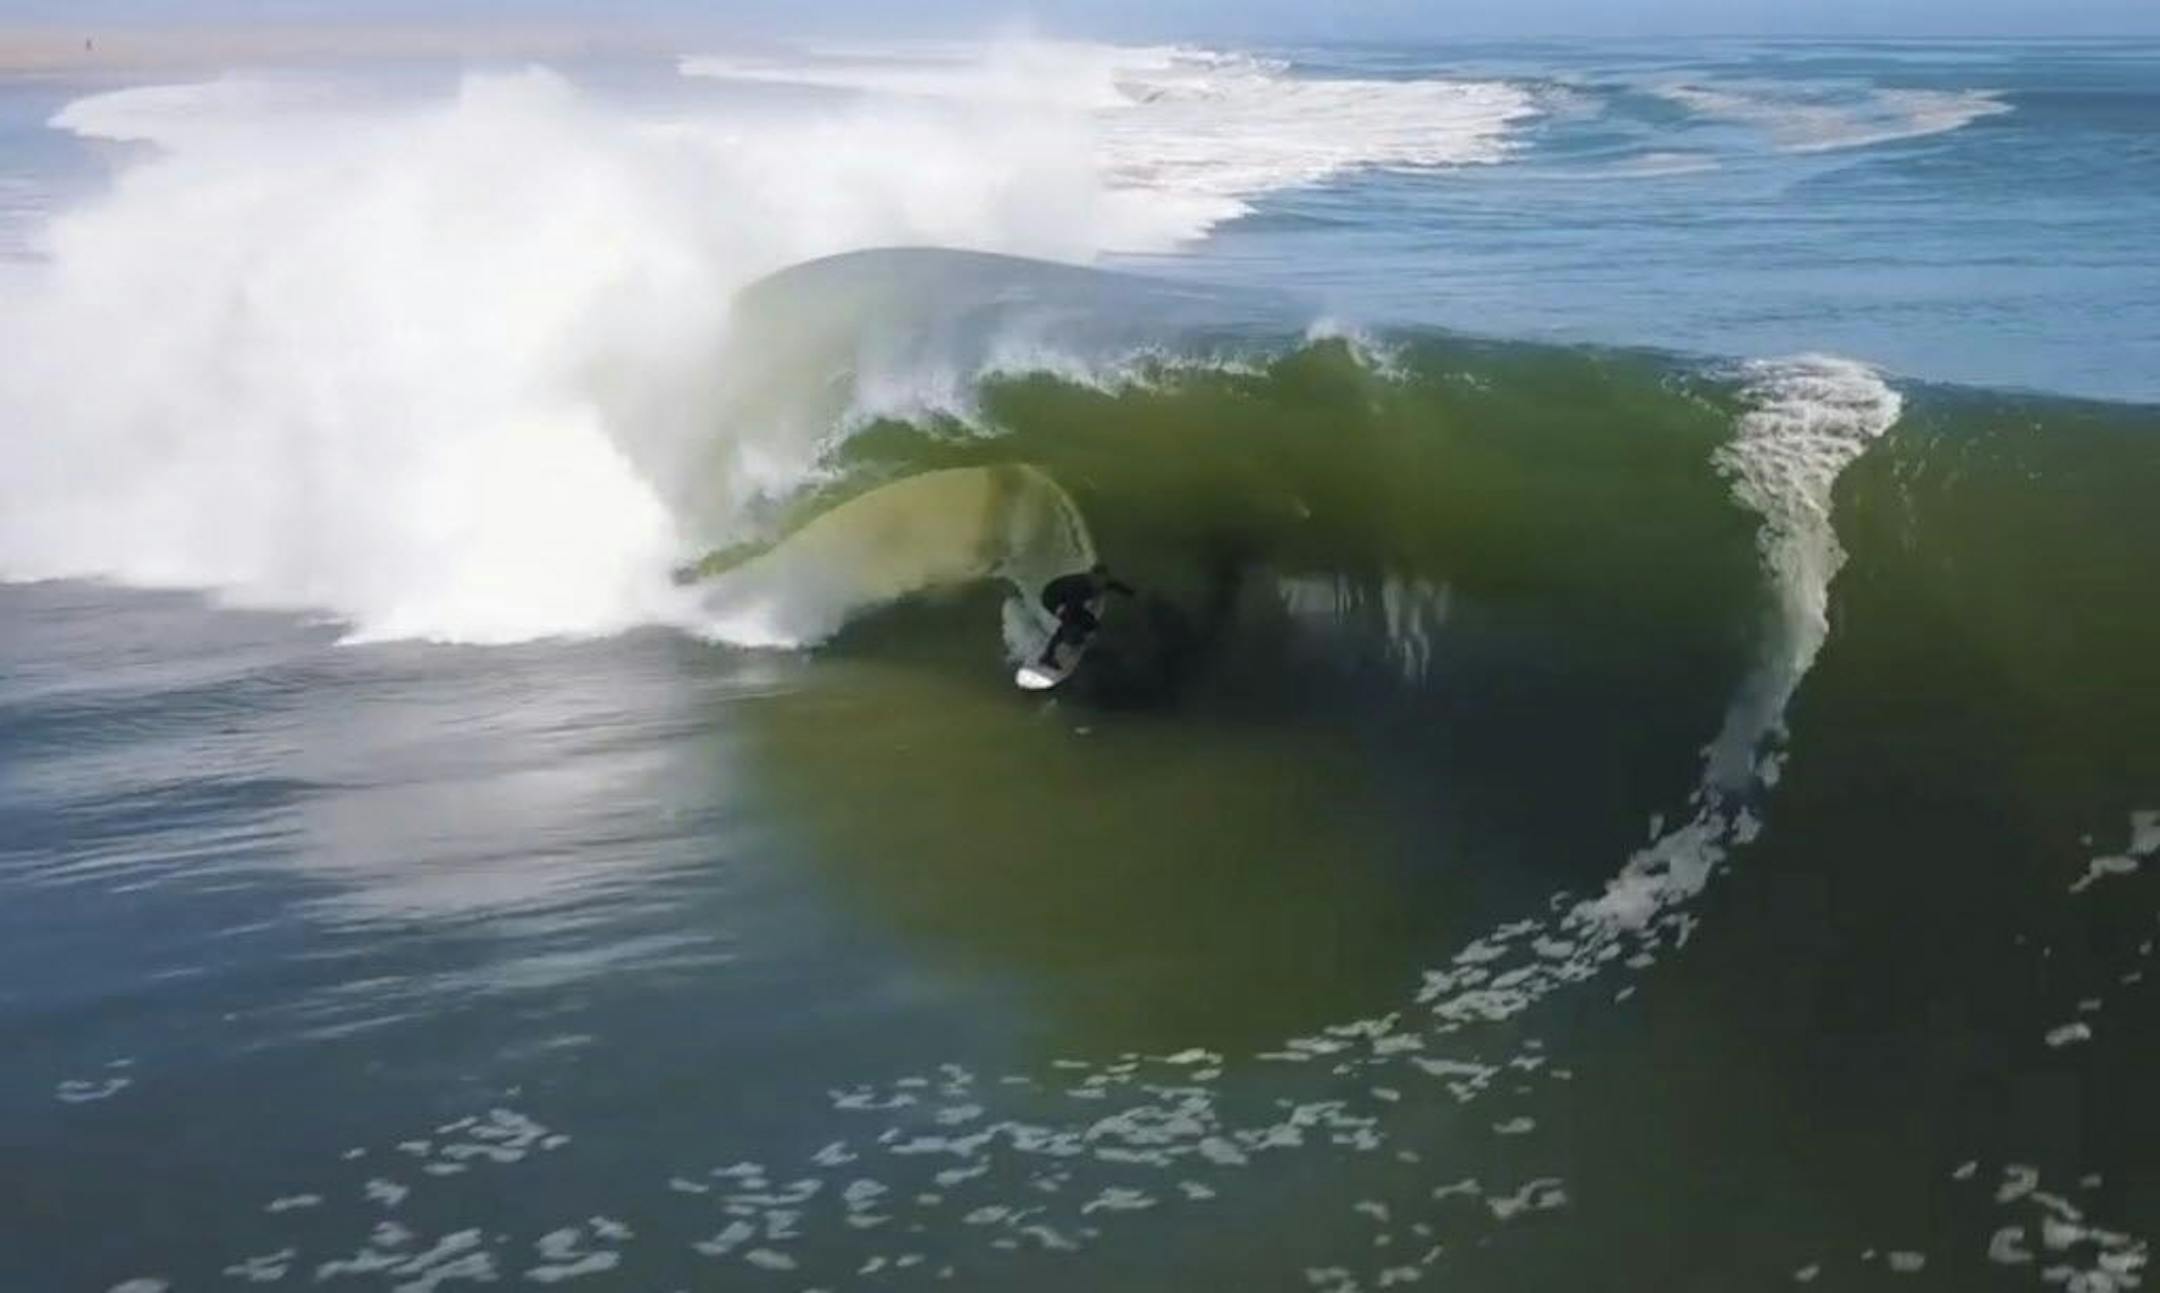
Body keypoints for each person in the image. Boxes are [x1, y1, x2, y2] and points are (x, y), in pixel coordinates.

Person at [1037, 563, 1135, 669]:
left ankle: (1075, 639)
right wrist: (1075, 631)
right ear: (1092, 576)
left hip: (1064, 595)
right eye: (1098, 580)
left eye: (1104, 580)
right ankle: (1048, 656)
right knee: (1072, 624)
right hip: (1052, 599)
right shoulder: (1079, 586)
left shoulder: (1103, 582)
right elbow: (1072, 611)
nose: (1101, 584)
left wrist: (1130, 593)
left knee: (1089, 622)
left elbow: (1116, 585)